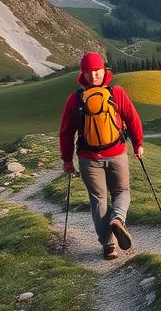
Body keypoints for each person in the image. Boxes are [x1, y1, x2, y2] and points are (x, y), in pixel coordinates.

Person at [59, 52, 144, 259]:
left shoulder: (75, 99)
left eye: (95, 71)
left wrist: (67, 159)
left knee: (98, 199)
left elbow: (66, 132)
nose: (93, 75)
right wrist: (138, 144)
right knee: (122, 191)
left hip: (88, 158)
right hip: (117, 154)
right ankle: (118, 219)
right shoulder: (117, 93)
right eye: (90, 72)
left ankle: (108, 246)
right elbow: (133, 119)